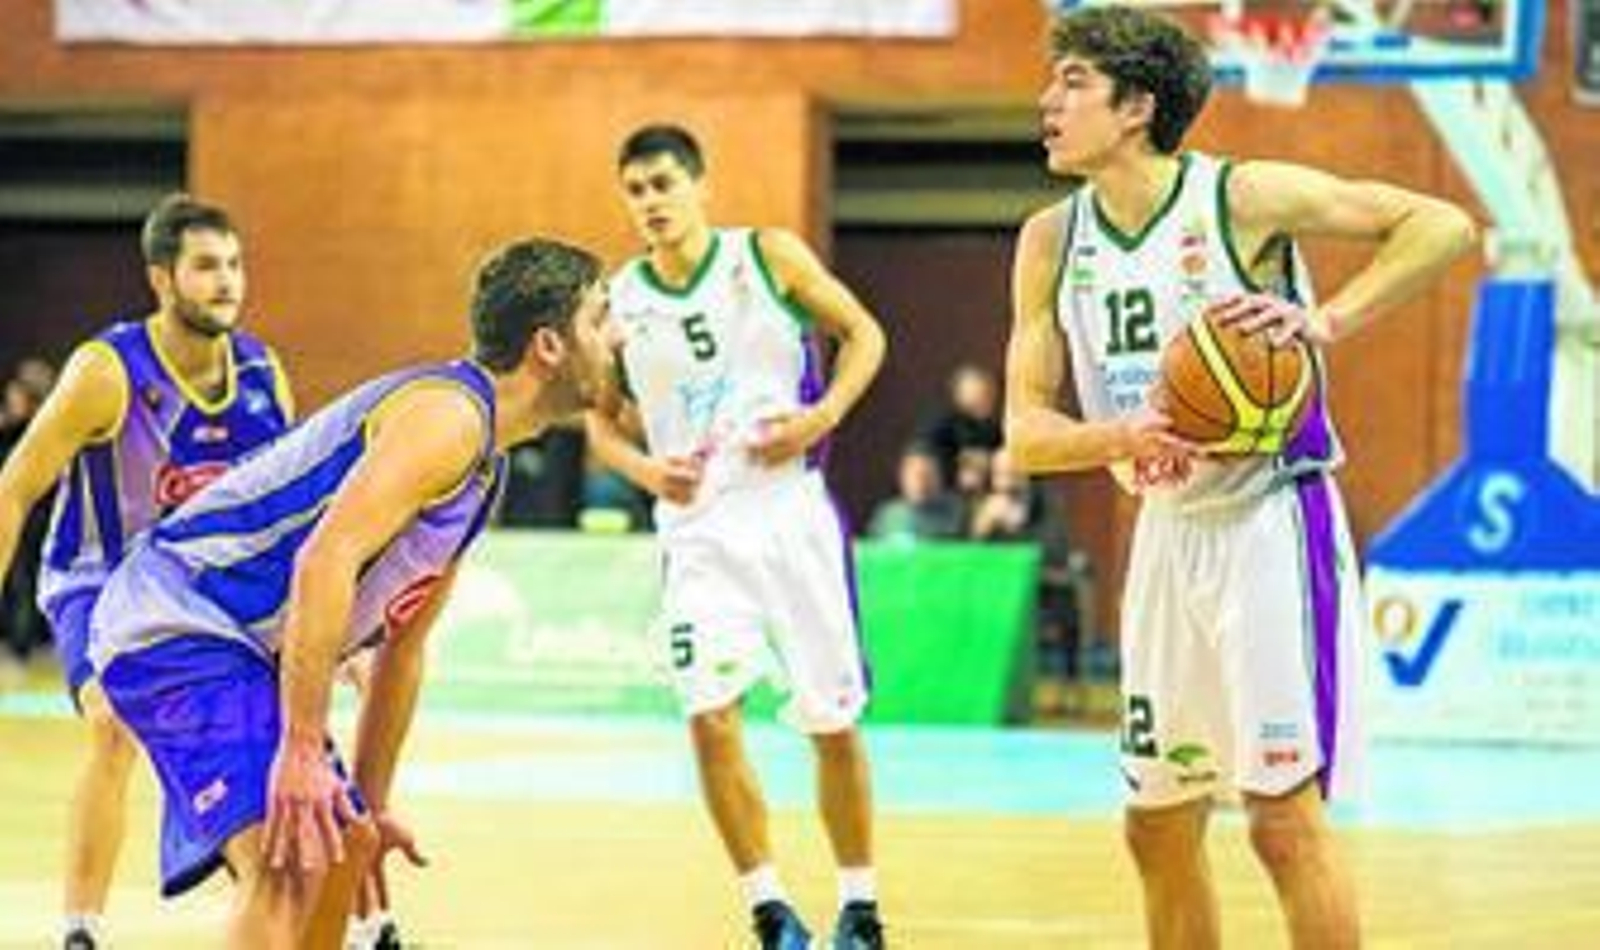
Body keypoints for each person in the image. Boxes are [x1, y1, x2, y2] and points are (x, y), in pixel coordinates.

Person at [1005, 7, 1477, 949]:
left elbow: (1442, 224)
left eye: (1072, 82)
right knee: (1156, 823)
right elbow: (1024, 432)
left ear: (1136, 106)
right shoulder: (1050, 241)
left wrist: (1330, 319)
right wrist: (1121, 435)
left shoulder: (1240, 199)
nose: (1047, 100)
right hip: (1167, 538)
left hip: (1270, 525)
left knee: (1281, 824)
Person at [86, 237, 616, 949]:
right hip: (178, 617)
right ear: (549, 345)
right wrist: (303, 749)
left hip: (237, 647)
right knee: (292, 855)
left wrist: (368, 802)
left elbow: (404, 649)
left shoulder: (485, 470)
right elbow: (323, 561)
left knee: (343, 849)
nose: (618, 336)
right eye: (601, 317)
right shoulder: (448, 415)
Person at [588, 123, 889, 950]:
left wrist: (822, 416)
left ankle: (861, 906)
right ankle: (769, 907)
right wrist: (649, 475)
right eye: (636, 190)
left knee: (830, 719)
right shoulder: (619, 302)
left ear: (700, 184)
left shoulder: (766, 257)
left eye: (662, 184)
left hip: (788, 513)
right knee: (709, 714)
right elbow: (602, 429)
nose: (650, 202)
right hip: (696, 534)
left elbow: (865, 333)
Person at [0, 194, 295, 950]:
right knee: (111, 723)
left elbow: (282, 511)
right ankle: (80, 926)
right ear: (162, 278)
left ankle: (336, 912)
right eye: (205, 266)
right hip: (94, 581)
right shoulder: (107, 370)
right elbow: (16, 486)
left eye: (234, 264)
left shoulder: (262, 370)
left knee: (278, 733)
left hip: (197, 592)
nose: (226, 281)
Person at [866, 442, 965, 542]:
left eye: (927, 475)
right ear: (902, 477)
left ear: (939, 478)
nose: (921, 483)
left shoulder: (956, 511)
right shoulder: (887, 515)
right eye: (915, 475)